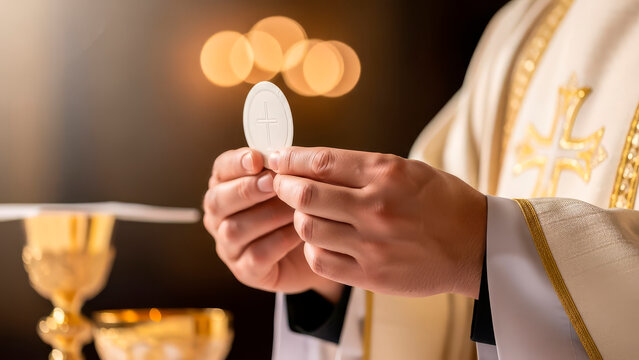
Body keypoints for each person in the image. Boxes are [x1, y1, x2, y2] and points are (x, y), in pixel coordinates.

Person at [203, 0, 639, 358]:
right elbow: (437, 270)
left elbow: (465, 238)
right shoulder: (529, 26)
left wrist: (486, 246)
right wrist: (338, 265)